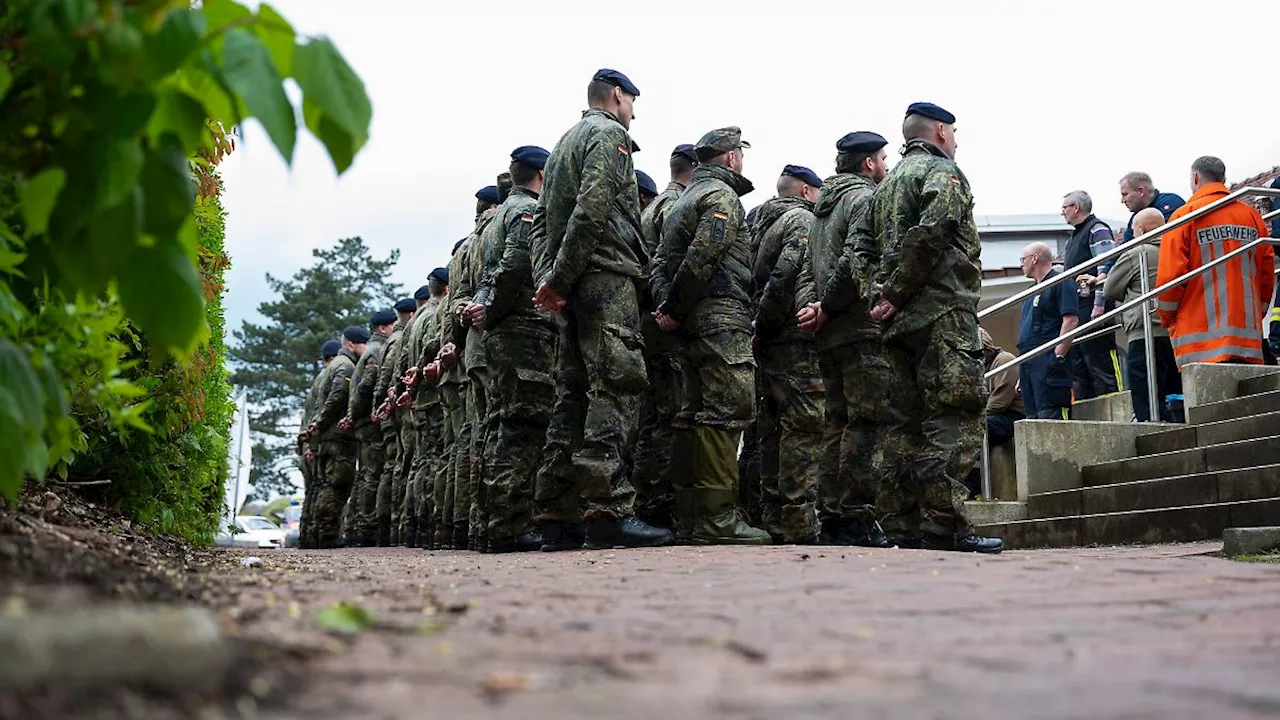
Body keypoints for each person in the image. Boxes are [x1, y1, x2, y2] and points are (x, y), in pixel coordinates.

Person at [529, 69, 673, 551]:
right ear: (617, 96)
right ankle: (608, 512)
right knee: (614, 386)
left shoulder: (565, 141)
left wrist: (551, 279)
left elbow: (543, 223)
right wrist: (562, 278)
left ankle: (557, 513)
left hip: (574, 282)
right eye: (633, 101)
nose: (634, 111)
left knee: (572, 395)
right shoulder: (608, 135)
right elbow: (591, 210)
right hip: (604, 275)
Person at [852, 102, 1002, 553]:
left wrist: (875, 298)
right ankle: (944, 527)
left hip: (897, 327)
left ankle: (902, 526)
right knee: (953, 417)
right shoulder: (941, 173)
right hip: (941, 315)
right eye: (954, 133)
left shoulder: (885, 184)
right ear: (940, 131)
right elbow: (934, 230)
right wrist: (894, 292)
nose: (955, 141)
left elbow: (857, 248)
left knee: (903, 426)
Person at [652, 125, 770, 545]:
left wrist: (668, 308)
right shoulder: (721, 198)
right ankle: (718, 520)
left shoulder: (683, 199)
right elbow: (705, 255)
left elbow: (661, 263)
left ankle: (691, 517)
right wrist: (676, 306)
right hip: (719, 316)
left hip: (688, 323)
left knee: (692, 414)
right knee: (726, 411)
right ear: (732, 158)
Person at [797, 131, 892, 548]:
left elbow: (805, 266)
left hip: (829, 333)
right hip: (857, 327)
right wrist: (830, 307)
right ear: (868, 163)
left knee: (835, 423)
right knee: (865, 423)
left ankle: (832, 515)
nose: (886, 166)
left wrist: (813, 307)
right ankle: (855, 516)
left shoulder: (821, 209)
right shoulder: (864, 200)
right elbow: (858, 261)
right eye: (883, 159)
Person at [466, 145, 555, 553]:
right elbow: (517, 264)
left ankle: (492, 524)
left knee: (502, 426)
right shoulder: (526, 212)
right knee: (522, 429)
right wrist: (495, 308)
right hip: (523, 329)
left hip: (506, 330)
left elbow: (491, 272)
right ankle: (510, 526)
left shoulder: (498, 214)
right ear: (541, 175)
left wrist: (486, 306)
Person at [743, 163, 823, 543]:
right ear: (807, 191)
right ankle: (799, 521)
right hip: (792, 340)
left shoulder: (761, 223)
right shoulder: (800, 222)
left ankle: (771, 513)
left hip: (769, 344)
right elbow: (786, 276)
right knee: (803, 429)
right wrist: (767, 324)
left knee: (770, 431)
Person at [631, 143, 696, 531]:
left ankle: (650, 502)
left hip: (647, 322)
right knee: (668, 418)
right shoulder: (675, 208)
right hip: (665, 323)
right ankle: (659, 506)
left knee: (653, 417)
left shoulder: (651, 210)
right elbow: (670, 267)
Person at [1157, 156, 1275, 367]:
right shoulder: (1251, 216)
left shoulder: (1184, 217)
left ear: (1195, 178)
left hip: (1198, 340)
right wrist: (1258, 312)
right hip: (1247, 338)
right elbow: (1266, 272)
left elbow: (1170, 278)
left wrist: (1167, 318)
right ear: (1223, 178)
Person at [454, 178, 508, 550]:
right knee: (504, 429)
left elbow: (456, 303)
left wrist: (452, 345)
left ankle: (479, 525)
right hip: (499, 337)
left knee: (480, 435)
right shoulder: (506, 225)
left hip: (473, 346)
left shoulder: (464, 250)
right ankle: (500, 524)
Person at [1099, 208, 1181, 421]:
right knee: (1172, 388)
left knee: (1144, 389)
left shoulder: (1137, 253)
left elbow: (1109, 289)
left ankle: (1150, 425)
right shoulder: (1177, 251)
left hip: (1143, 332)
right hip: (1174, 332)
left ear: (1141, 229)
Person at [304, 326, 366, 548]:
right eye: (363, 344)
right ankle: (326, 534)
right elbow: (337, 396)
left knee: (322, 485)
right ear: (351, 344)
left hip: (326, 437)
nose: (366, 348)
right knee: (335, 486)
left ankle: (313, 534)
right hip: (337, 437)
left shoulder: (329, 369)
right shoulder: (346, 366)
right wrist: (322, 424)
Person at [1060, 190, 1122, 399]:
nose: (1062, 213)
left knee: (1101, 362)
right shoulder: (1075, 236)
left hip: (1094, 308)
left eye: (1064, 208)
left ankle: (1115, 406)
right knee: (1080, 366)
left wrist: (1099, 304)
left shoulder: (1097, 230)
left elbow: (1107, 266)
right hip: (1078, 308)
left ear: (1076, 207)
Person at [342, 309, 396, 546]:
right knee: (373, 474)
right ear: (383, 328)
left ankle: (356, 529)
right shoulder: (376, 351)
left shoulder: (369, 351)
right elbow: (366, 386)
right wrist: (359, 412)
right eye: (393, 325)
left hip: (362, 419)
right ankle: (366, 529)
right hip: (369, 420)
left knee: (365, 474)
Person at [399, 282, 446, 547]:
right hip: (432, 396)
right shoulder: (432, 316)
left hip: (417, 399)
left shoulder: (413, 324)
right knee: (435, 462)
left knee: (420, 462)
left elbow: (403, 361)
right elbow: (429, 350)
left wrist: (402, 389)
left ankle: (414, 527)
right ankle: (430, 526)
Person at [1017, 242, 1079, 420]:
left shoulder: (1060, 282)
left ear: (1035, 258)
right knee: (1032, 418)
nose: (1021, 264)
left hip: (1048, 361)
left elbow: (1071, 320)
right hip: (1029, 363)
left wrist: (1058, 356)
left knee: (1052, 415)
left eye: (1023, 259)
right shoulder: (1030, 292)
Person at [372, 299, 417, 544]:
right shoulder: (399, 338)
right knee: (404, 462)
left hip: (391, 404)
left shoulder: (393, 339)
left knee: (397, 464)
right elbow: (392, 372)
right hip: (399, 405)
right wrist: (383, 402)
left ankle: (391, 529)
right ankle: (398, 527)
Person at [297, 339, 341, 549]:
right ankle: (323, 534)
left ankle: (309, 535)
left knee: (315, 488)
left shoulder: (319, 379)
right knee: (328, 485)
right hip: (320, 440)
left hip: (310, 442)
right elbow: (319, 412)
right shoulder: (333, 373)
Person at [1119, 171, 1185, 243]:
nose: (1122, 201)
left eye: (1125, 194)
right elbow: (1125, 248)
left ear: (1141, 191)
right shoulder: (1136, 218)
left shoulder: (1172, 203)